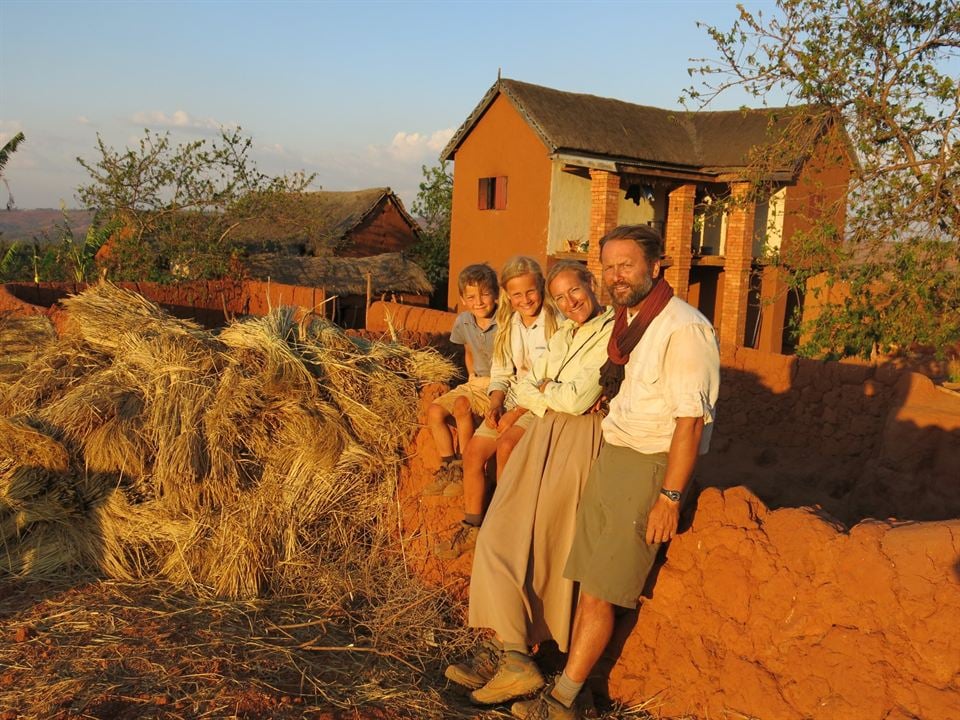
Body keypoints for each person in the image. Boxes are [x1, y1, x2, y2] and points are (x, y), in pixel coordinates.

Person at [511, 225, 720, 720]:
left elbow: (689, 422)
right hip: (614, 455)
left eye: (626, 264)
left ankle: (562, 702)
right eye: (608, 266)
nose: (616, 275)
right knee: (589, 578)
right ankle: (571, 688)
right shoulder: (629, 321)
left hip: (649, 464)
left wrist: (669, 497)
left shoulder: (683, 327)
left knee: (606, 589)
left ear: (656, 266)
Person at [444, 261, 615, 704]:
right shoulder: (567, 334)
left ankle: (518, 655)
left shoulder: (612, 330)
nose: (569, 301)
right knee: (499, 533)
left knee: (547, 545)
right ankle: (508, 648)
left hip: (577, 442)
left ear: (590, 286)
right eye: (561, 296)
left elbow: (578, 398)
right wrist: (545, 388)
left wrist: (545, 388)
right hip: (544, 428)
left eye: (573, 291)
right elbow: (537, 381)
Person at [435, 256, 560, 559]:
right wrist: (496, 403)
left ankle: (505, 526)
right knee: (475, 454)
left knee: (506, 446)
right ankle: (473, 525)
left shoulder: (555, 324)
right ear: (508, 294)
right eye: (517, 294)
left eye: (530, 292)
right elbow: (503, 372)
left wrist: (516, 412)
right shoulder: (510, 325)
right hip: (514, 397)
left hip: (544, 402)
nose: (525, 300)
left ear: (540, 288)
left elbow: (552, 377)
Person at [423, 263, 499, 495]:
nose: (479, 301)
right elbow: (468, 349)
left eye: (485, 294)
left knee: (461, 406)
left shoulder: (505, 322)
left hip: (496, 383)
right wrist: (470, 375)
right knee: (434, 411)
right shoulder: (464, 321)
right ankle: (448, 465)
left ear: (496, 295)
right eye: (471, 296)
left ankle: (465, 468)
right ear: (463, 299)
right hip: (474, 381)